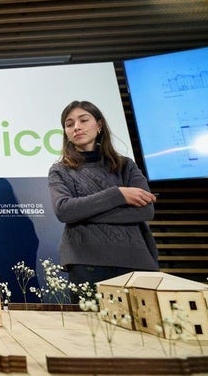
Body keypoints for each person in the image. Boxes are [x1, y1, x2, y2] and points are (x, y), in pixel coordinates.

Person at [48, 100, 159, 291]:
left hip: (136, 260)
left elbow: (145, 211)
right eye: (69, 124)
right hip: (86, 262)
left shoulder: (126, 165)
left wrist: (84, 214)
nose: (77, 127)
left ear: (99, 125)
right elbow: (65, 211)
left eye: (83, 120)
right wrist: (118, 195)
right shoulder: (60, 170)